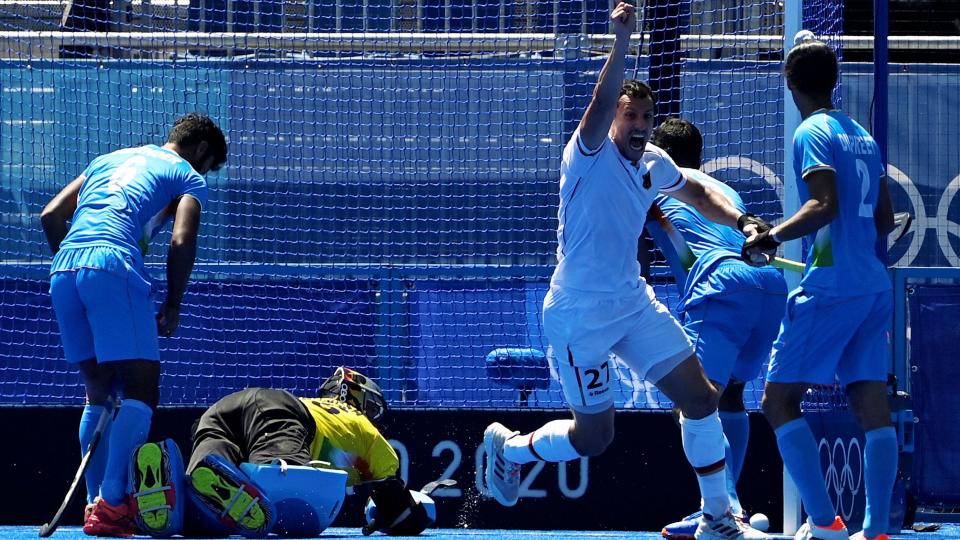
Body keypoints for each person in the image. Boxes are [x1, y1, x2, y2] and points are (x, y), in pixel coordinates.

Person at [481, 4, 770, 539]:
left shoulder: (653, 161)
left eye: (645, 117)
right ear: (613, 117)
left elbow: (698, 189)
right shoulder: (586, 153)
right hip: (577, 317)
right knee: (596, 438)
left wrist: (745, 220)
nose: (639, 125)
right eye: (629, 116)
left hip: (633, 305)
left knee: (702, 397)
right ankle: (513, 448)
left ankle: (717, 519)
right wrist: (621, 39)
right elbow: (596, 102)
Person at [40, 113, 227, 537]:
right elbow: (182, 239)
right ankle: (114, 503)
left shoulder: (108, 158)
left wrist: (77, 263)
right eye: (209, 165)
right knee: (142, 386)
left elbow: (51, 215)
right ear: (200, 150)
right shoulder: (187, 176)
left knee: (99, 392)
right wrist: (174, 302)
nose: (205, 174)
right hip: (113, 263)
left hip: (64, 266)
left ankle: (95, 506)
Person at [743, 38, 897, 540]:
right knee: (871, 404)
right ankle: (874, 529)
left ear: (790, 82)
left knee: (778, 400)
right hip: (874, 287)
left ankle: (827, 524)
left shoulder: (811, 131)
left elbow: (824, 205)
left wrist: (771, 236)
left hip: (831, 288)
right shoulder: (863, 137)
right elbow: (885, 218)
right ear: (832, 81)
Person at [649, 118, 788, 539]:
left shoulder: (651, 182)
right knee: (730, 394)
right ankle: (728, 506)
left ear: (660, 153)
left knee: (694, 401)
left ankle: (725, 510)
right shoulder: (724, 190)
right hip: (768, 286)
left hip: (721, 285)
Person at [185, 367, 433, 537]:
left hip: (224, 409)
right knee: (283, 493)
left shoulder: (320, 404)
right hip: (282, 413)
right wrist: (418, 510)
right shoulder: (370, 433)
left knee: (204, 487)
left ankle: (179, 497)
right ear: (361, 401)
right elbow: (395, 504)